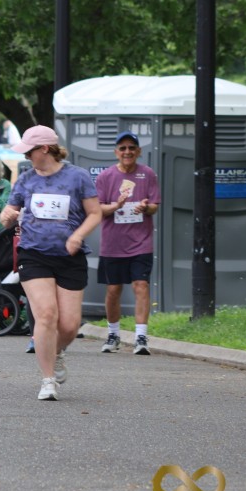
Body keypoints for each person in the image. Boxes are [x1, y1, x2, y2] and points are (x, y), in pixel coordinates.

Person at [0, 125, 102, 400]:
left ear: (45, 149)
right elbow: (8, 212)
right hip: (34, 255)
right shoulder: (25, 179)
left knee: (69, 325)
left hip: (70, 257)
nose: (26, 157)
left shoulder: (77, 177)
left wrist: (78, 236)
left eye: (29, 151)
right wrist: (7, 216)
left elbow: (95, 213)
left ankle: (56, 352)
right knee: (46, 314)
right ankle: (47, 380)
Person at [95, 131, 160, 355]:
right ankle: (113, 334)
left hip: (141, 243)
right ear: (116, 152)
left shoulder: (148, 174)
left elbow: (154, 206)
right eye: (122, 148)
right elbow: (98, 209)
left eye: (132, 148)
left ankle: (141, 337)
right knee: (113, 289)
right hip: (113, 244)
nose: (127, 152)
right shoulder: (105, 177)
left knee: (141, 285)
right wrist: (116, 206)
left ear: (139, 151)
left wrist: (145, 207)